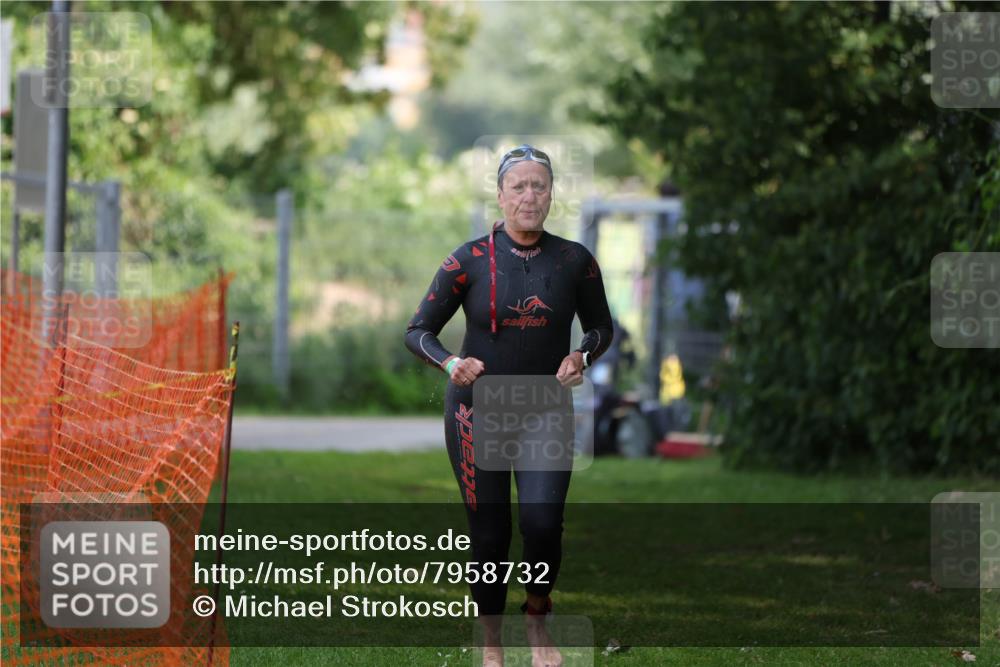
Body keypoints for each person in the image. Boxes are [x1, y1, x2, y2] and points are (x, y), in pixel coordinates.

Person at [404, 144, 614, 667]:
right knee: (490, 530)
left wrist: (581, 355)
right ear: (500, 195)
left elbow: (601, 327)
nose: (528, 195)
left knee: (543, 522)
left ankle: (538, 619)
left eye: (538, 185)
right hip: (478, 410)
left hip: (545, 407)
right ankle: (491, 641)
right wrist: (452, 364)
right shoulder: (468, 260)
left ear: (550, 195)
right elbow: (418, 331)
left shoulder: (574, 261)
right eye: (517, 186)